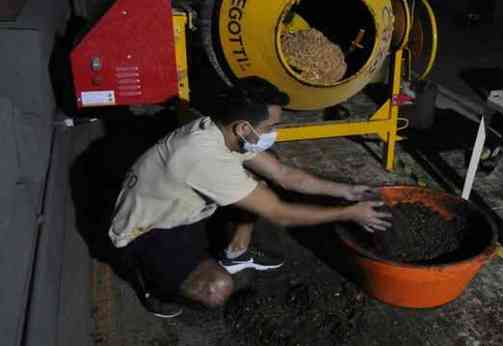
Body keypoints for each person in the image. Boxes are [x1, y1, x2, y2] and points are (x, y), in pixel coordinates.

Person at [108, 77, 392, 318]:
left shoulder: (224, 130)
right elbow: (280, 213)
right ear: (244, 127)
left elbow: (285, 175)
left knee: (260, 181)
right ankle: (153, 285)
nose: (273, 133)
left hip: (181, 206)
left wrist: (347, 191)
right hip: (147, 229)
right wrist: (350, 213)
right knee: (217, 289)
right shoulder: (203, 156)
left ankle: (235, 251)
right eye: (270, 127)